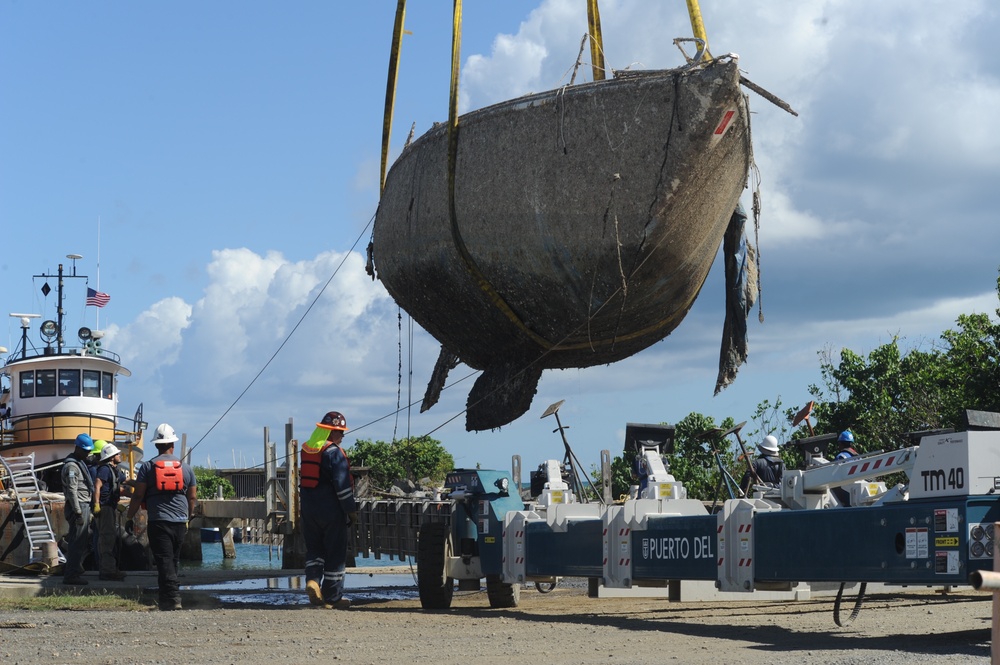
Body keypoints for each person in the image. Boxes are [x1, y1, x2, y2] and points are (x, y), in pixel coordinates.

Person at [126, 423, 197, 611]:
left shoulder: (148, 467)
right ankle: (166, 598)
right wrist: (188, 517)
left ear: (156, 445)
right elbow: (192, 497)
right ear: (172, 444)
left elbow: (138, 495)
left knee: (163, 560)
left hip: (158, 521)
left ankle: (173, 597)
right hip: (180, 521)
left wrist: (129, 516)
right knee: (172, 560)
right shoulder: (186, 469)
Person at [300, 411, 357, 610]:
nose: (342, 437)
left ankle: (313, 581)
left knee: (314, 549)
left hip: (308, 509)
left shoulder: (308, 450)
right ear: (332, 432)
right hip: (331, 511)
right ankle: (332, 597)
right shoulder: (334, 453)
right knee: (335, 552)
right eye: (340, 433)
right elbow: (342, 487)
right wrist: (350, 510)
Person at [62, 433, 95, 585]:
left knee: (80, 542)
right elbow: (71, 491)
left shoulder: (79, 463)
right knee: (76, 543)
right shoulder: (72, 466)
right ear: (77, 448)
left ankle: (75, 569)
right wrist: (78, 512)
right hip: (79, 507)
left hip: (83, 505)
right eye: (85, 450)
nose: (88, 453)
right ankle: (71, 575)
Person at [93, 443, 127, 581]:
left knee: (110, 539)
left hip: (110, 507)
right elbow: (97, 485)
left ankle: (111, 569)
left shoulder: (114, 471)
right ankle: (107, 571)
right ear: (112, 457)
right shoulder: (105, 470)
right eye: (117, 454)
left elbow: (126, 481)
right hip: (105, 507)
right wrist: (96, 504)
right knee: (107, 539)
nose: (119, 456)